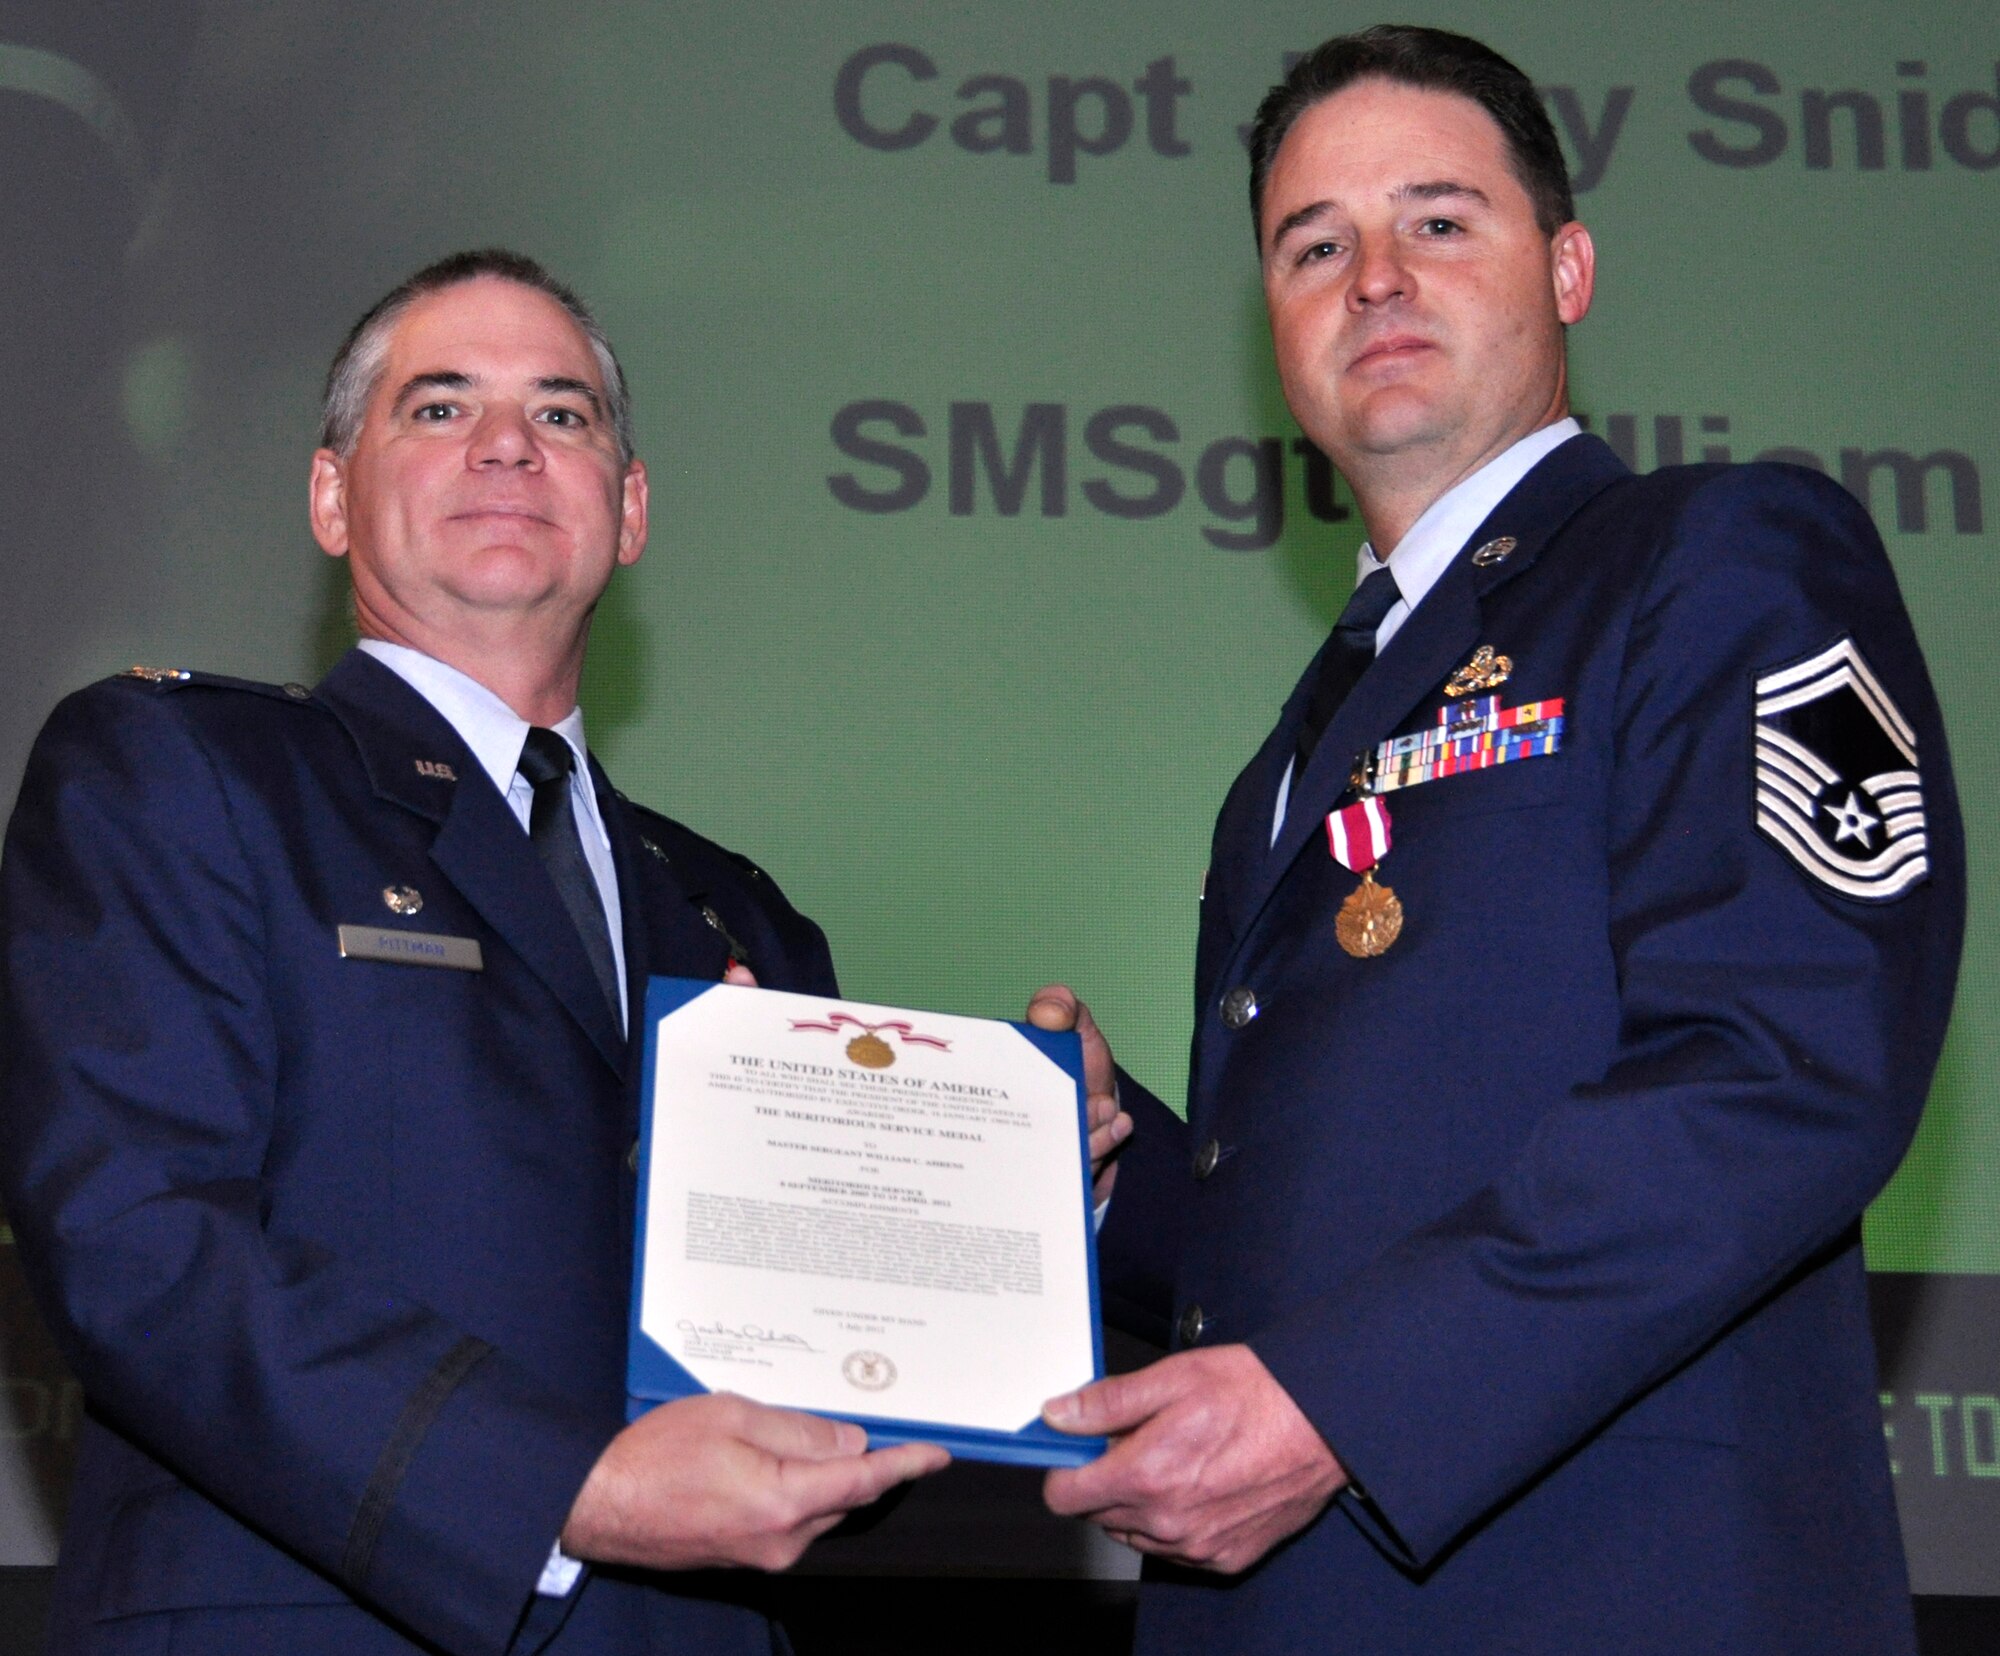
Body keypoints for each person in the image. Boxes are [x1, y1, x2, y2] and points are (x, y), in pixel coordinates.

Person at [1025, 26, 1965, 1655]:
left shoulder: (1723, 557)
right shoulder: (1301, 737)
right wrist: (1111, 1181)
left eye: (1440, 221)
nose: (1374, 277)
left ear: (1571, 267)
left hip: (1617, 1592)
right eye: (1315, 245)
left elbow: (1783, 1065)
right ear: (1275, 325)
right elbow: (1329, 1221)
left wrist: (1339, 1402)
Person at [0, 249, 946, 1656]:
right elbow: (135, 1239)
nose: (508, 442)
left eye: (563, 415)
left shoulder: (738, 914)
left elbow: (839, 1363)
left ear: (627, 513)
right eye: (438, 408)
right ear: (331, 495)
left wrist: (1048, 1173)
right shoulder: (179, 771)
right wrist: (559, 1488)